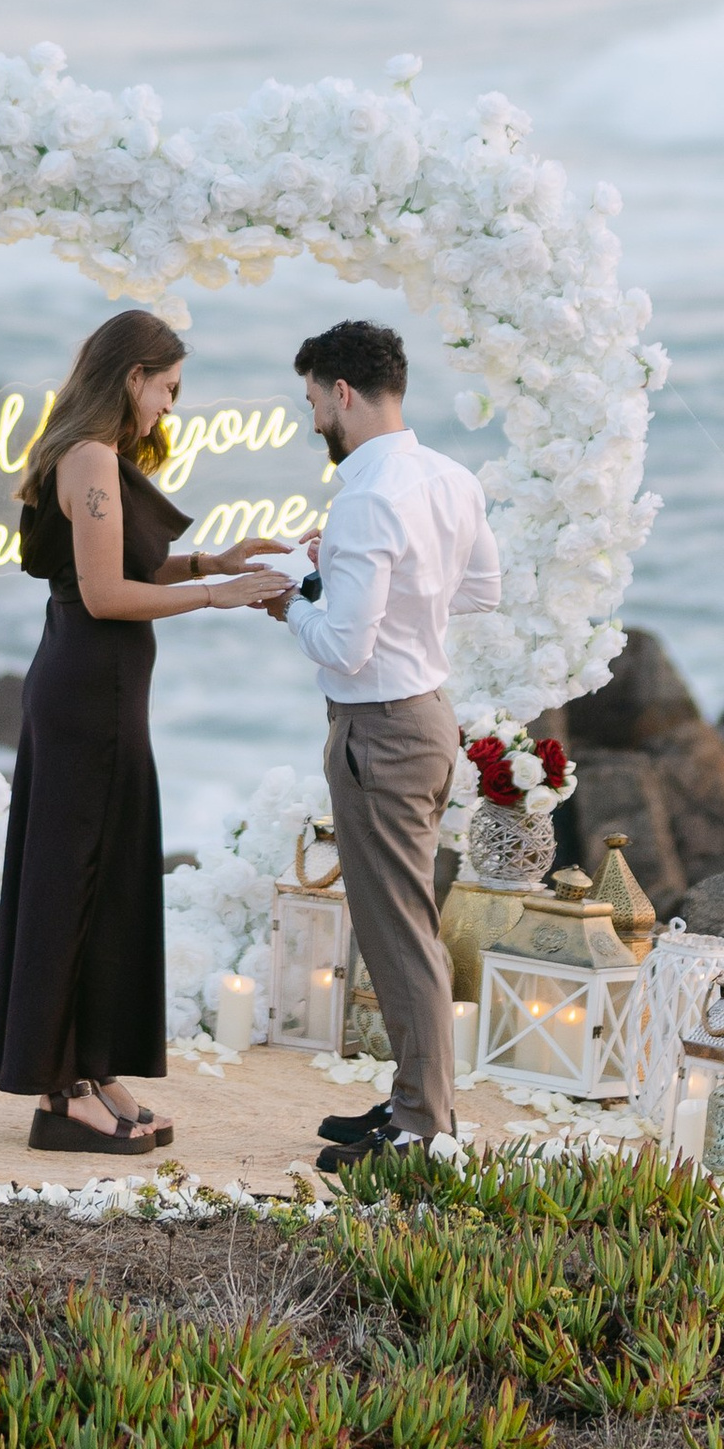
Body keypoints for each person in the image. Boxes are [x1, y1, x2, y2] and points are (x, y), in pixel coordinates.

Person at [0, 304, 290, 1152]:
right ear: (133, 376)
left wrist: (219, 561)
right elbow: (108, 596)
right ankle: (62, 1090)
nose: (170, 407)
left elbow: (135, 565)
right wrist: (215, 597)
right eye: (168, 388)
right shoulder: (88, 457)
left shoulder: (96, 456)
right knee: (79, 881)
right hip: (90, 691)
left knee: (99, 877)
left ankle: (89, 1069)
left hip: (97, 687)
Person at [270, 316, 500, 1172]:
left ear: (341, 392)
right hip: (429, 717)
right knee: (403, 922)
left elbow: (343, 647)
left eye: (312, 404)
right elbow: (480, 589)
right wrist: (381, 587)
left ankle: (421, 1130)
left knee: (397, 930)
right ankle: (414, 1098)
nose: (313, 423)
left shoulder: (365, 494)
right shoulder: (450, 477)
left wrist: (289, 601)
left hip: (380, 730)